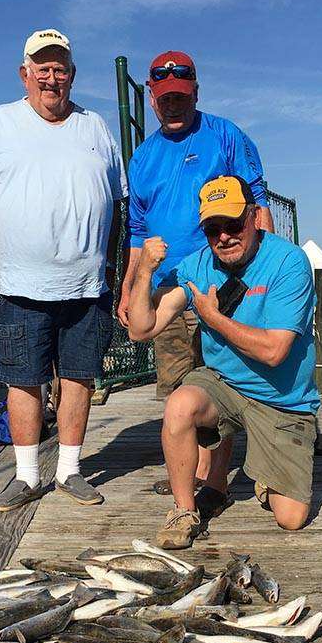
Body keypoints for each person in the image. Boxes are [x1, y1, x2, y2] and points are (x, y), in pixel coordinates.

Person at [0, 28, 127, 511]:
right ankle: (27, 476)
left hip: (87, 285)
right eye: (42, 68)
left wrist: (115, 268)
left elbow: (119, 202)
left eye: (61, 68)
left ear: (72, 75)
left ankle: (70, 471)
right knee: (23, 379)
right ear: (24, 74)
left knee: (79, 377)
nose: (52, 78)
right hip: (21, 285)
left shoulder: (95, 126)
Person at [117, 50, 274, 519]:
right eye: (164, 98)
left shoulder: (226, 135)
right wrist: (130, 288)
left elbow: (257, 203)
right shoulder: (142, 158)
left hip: (224, 284)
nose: (173, 105)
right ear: (151, 98)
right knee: (178, 386)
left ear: (196, 93)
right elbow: (137, 233)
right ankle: (191, 472)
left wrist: (264, 271)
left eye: (181, 97)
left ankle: (215, 480)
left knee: (224, 382)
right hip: (169, 289)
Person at [128, 174, 318, 549]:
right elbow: (140, 329)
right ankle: (184, 511)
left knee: (291, 519)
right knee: (180, 405)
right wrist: (145, 271)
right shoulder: (196, 266)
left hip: (281, 398)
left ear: (253, 217)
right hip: (225, 384)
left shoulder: (289, 262)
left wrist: (213, 319)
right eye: (213, 228)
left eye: (232, 223)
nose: (224, 236)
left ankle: (263, 474)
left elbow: (274, 352)